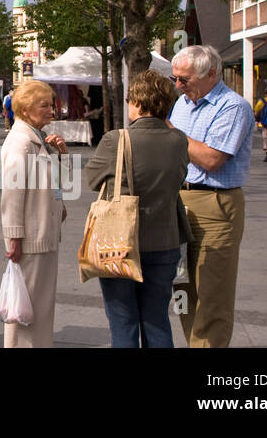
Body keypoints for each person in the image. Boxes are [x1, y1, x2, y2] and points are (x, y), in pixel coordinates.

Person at [85, 70, 190, 348]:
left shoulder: (116, 139)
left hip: (118, 242)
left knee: (123, 320)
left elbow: (93, 180)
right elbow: (180, 178)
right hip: (165, 240)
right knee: (157, 318)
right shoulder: (179, 139)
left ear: (138, 103)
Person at [166, 45, 254, 348]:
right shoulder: (182, 105)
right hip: (179, 198)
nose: (178, 86)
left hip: (215, 204)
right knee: (184, 288)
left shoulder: (233, 106)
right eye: (175, 79)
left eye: (184, 80)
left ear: (211, 74)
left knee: (212, 292)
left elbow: (212, 158)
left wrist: (169, 132)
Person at [0, 79, 68, 347]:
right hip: (32, 239)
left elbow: (61, 187)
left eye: (51, 104)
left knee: (38, 309)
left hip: (43, 235)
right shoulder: (21, 142)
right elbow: (12, 195)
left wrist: (61, 155)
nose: (51, 110)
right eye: (45, 105)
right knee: (27, 312)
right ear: (27, 109)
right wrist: (14, 238)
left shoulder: (36, 139)